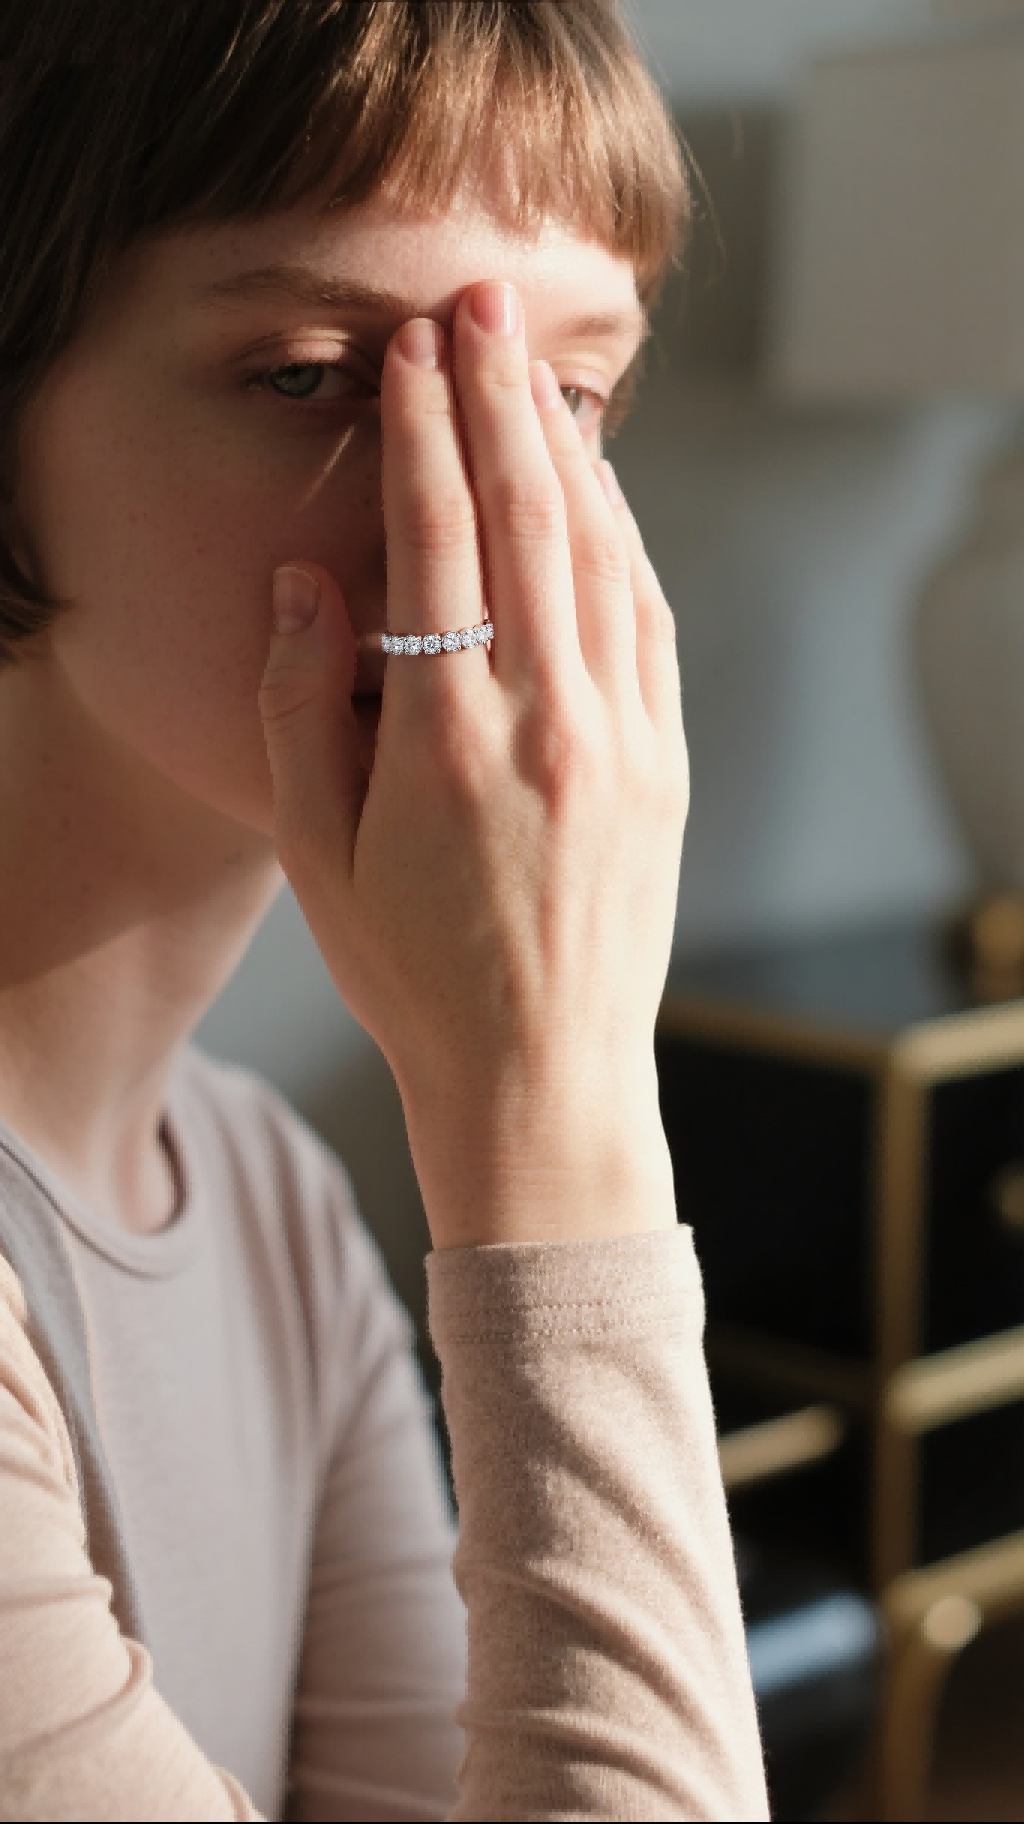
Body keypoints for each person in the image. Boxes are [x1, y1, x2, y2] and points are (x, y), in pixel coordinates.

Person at [0, 2, 768, 1818]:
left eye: (567, 396)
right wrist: (553, 1109)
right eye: (314, 371)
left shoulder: (260, 1194)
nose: (493, 528)